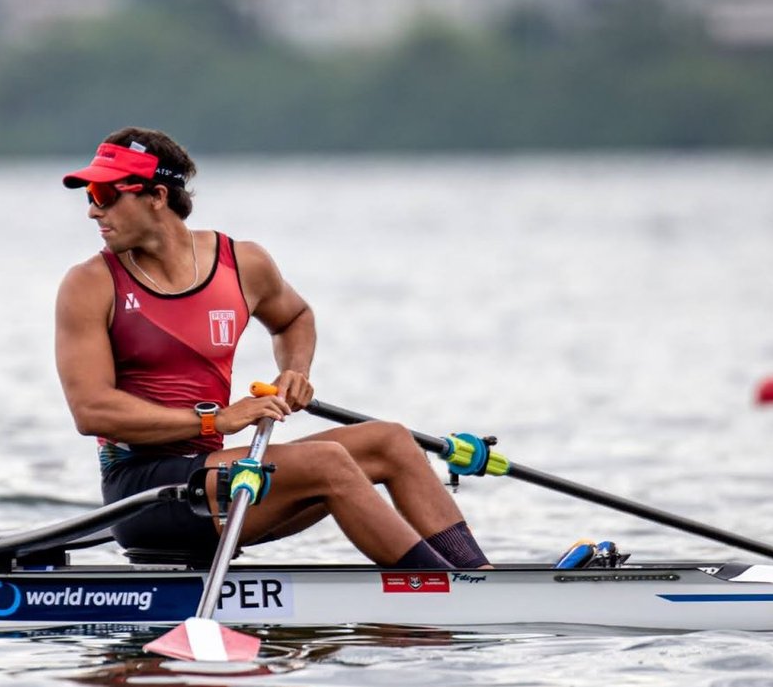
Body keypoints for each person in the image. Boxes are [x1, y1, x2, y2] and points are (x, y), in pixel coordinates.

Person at [55, 127, 491, 571]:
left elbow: (294, 319)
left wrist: (295, 372)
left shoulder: (242, 263)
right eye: (90, 195)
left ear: (157, 195)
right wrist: (215, 419)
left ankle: (477, 578)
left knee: (391, 440)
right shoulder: (91, 284)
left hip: (221, 476)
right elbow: (92, 411)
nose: (93, 210)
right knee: (326, 462)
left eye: (105, 193)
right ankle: (439, 587)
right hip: (144, 493)